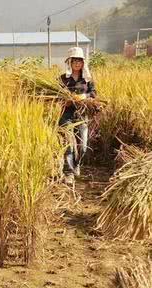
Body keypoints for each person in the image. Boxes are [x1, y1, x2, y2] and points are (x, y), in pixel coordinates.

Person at [59, 47, 97, 185]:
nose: (77, 63)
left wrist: (83, 96)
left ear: (83, 62)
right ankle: (68, 173)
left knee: (83, 145)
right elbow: (56, 97)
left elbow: (94, 94)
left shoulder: (87, 79)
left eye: (80, 60)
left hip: (82, 115)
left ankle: (77, 165)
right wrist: (67, 100)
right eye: (74, 60)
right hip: (66, 115)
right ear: (69, 62)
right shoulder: (63, 79)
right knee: (69, 144)